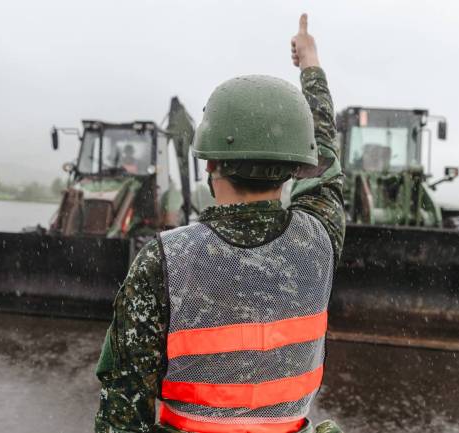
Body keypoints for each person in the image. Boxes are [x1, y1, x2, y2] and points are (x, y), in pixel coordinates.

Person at [95, 13, 345, 433]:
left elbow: (123, 410)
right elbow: (327, 160)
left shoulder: (162, 260)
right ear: (297, 166)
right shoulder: (320, 240)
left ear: (210, 160)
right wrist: (311, 65)